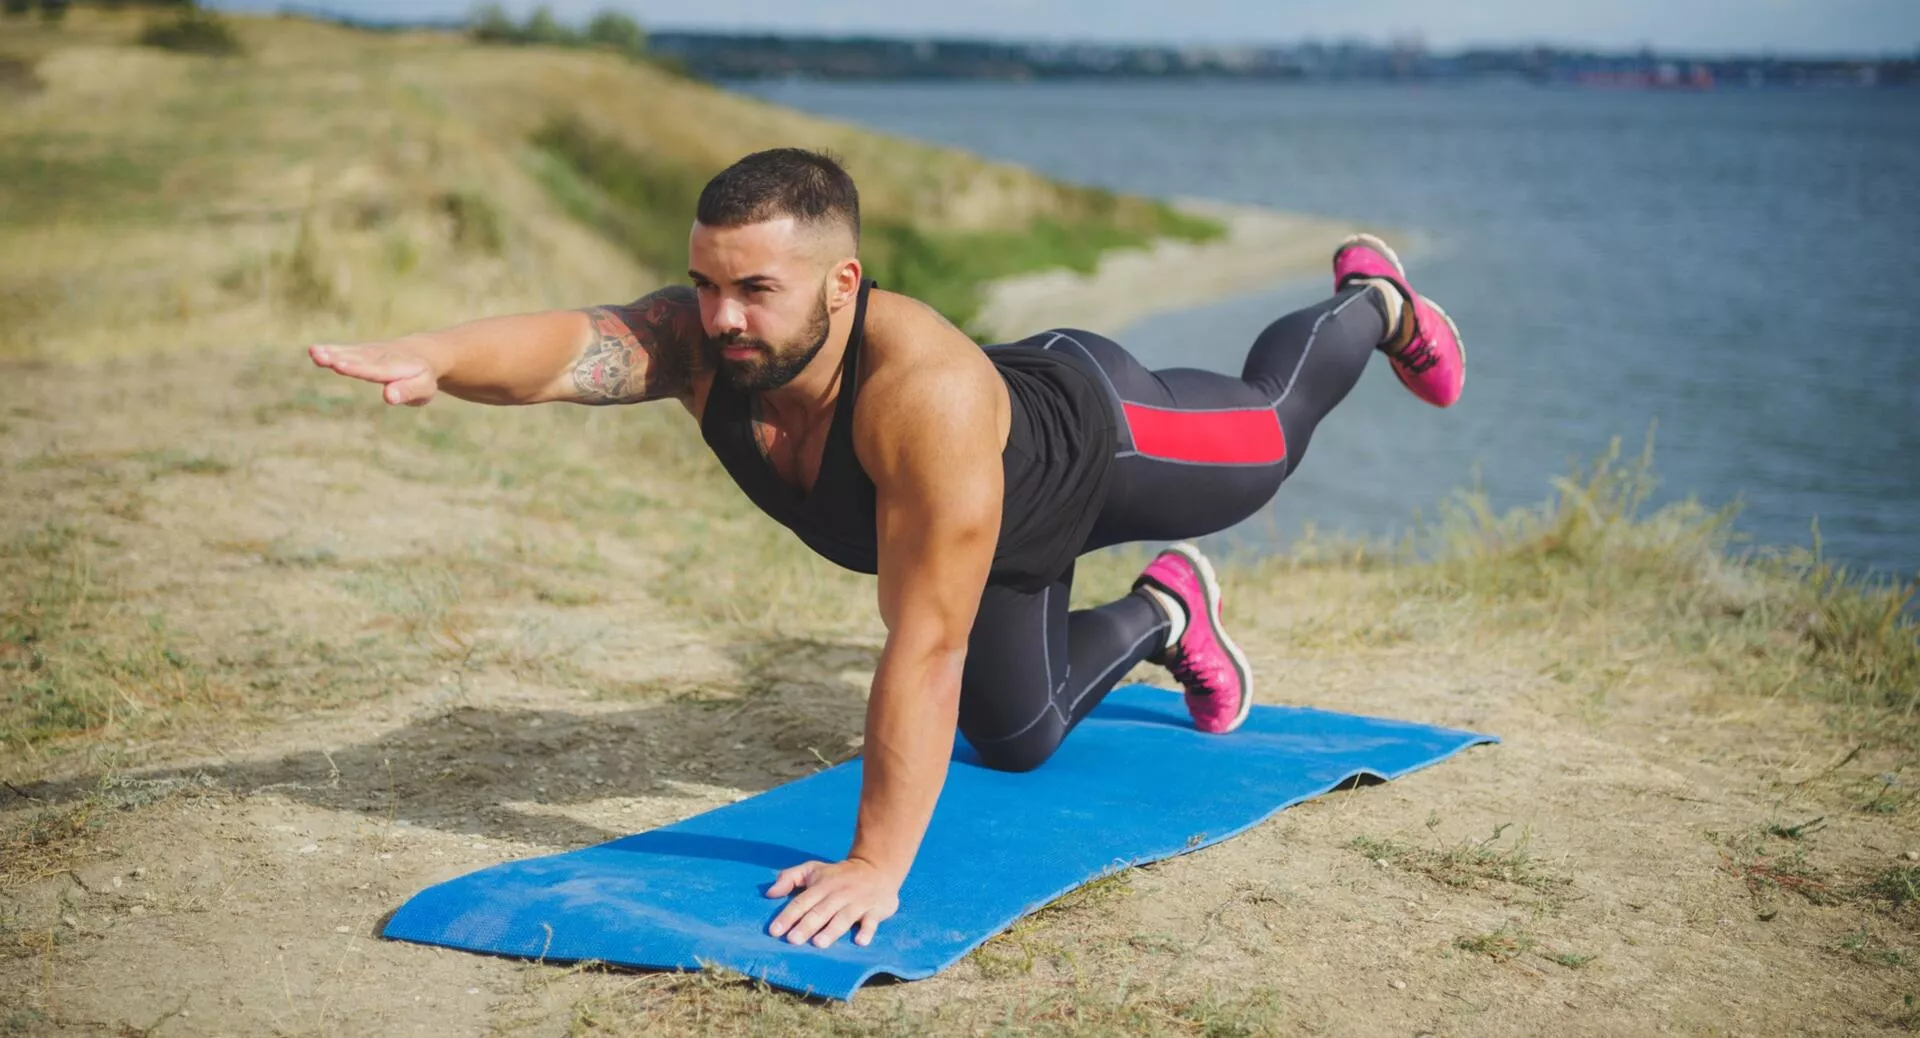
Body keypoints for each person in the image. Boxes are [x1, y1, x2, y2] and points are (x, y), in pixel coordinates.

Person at [308, 148, 1465, 953]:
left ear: (844, 283)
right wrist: (434, 354)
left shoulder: (925, 403)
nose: (720, 316)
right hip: (987, 537)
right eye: (707, 283)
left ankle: (1374, 303)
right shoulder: (712, 349)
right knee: (1014, 743)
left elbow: (923, 646)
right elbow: (568, 349)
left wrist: (873, 864)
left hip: (1096, 434)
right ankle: (1167, 614)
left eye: (755, 290)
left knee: (1267, 434)